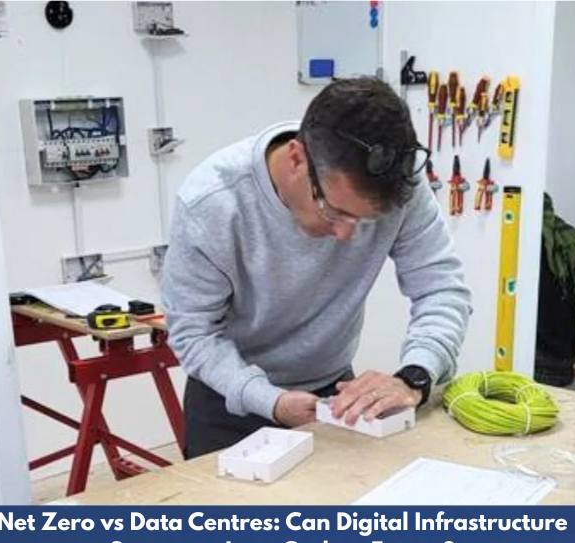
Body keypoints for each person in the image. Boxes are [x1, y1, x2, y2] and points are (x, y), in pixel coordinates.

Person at [160, 77, 472, 459]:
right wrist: (268, 400)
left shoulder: (400, 188)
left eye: (365, 221)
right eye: (335, 210)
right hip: (230, 400)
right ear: (296, 159)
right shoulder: (212, 203)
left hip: (335, 396)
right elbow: (194, 332)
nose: (344, 235)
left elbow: (440, 289)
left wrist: (415, 376)